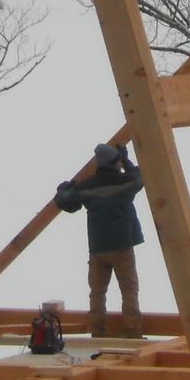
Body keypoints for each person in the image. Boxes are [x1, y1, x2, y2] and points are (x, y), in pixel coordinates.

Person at [56, 143, 145, 337]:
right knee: (129, 289)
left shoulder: (87, 186)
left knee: (97, 292)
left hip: (98, 248)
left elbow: (67, 203)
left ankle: (97, 330)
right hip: (122, 246)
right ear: (115, 162)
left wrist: (63, 190)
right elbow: (141, 178)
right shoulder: (123, 182)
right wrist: (128, 161)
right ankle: (132, 331)